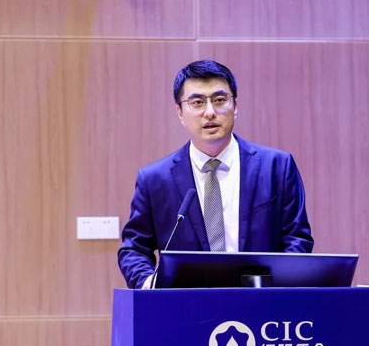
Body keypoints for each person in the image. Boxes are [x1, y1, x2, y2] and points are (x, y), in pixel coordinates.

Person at [118, 60, 313, 289]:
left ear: (235, 106)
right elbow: (134, 248)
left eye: (219, 100)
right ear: (180, 112)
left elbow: (297, 239)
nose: (210, 112)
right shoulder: (154, 180)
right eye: (197, 102)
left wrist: (279, 287)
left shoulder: (277, 167)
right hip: (186, 304)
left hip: (262, 303)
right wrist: (148, 283)